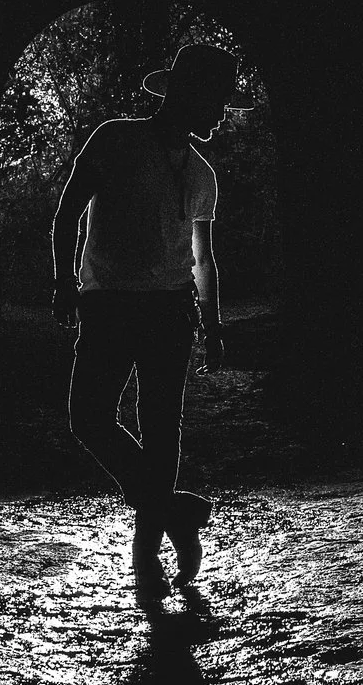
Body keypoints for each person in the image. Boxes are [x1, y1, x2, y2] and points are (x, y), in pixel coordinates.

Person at [51, 41, 249, 599]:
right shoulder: (115, 140)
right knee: (90, 419)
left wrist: (212, 328)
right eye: (215, 103)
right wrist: (65, 280)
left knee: (161, 433)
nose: (218, 115)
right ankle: (174, 515)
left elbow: (202, 258)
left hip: (168, 310)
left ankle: (147, 568)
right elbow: (68, 211)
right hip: (109, 303)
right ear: (187, 95)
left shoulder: (203, 173)